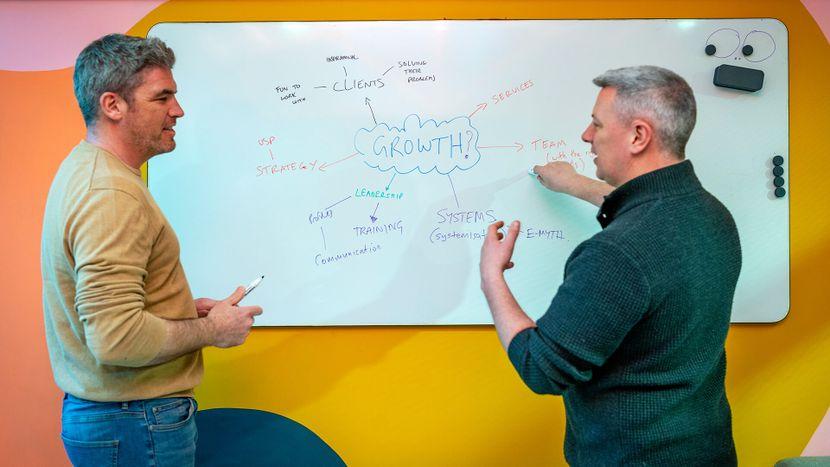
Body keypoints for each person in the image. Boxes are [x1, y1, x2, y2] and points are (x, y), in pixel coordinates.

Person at [479, 66, 741, 465]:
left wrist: (491, 278)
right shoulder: (710, 214)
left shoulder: (617, 254)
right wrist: (575, 184)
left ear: (638, 136)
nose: (586, 136)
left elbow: (542, 367)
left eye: (597, 124)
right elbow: (651, 212)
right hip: (706, 448)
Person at [41, 33, 262, 466]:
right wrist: (213, 330)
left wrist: (178, 308)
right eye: (163, 98)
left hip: (123, 419)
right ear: (113, 105)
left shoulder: (89, 168)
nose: (177, 110)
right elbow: (116, 339)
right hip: (134, 421)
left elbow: (110, 315)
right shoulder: (110, 194)